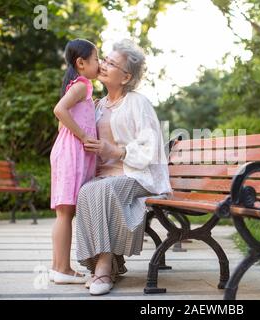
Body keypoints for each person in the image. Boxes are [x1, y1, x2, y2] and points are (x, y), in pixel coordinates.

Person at [76, 39, 171, 296]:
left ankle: (104, 267)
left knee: (103, 190)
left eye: (111, 63)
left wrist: (117, 151)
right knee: (86, 191)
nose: (104, 65)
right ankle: (103, 264)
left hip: (138, 176)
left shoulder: (137, 103)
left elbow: (151, 148)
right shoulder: (96, 106)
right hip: (106, 179)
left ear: (126, 76)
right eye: (104, 60)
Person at [49, 39, 99, 284]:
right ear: (81, 63)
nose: (99, 63)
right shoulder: (81, 85)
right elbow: (59, 111)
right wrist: (83, 136)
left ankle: (58, 266)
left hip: (67, 151)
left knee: (64, 212)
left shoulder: (80, 88)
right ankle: (62, 270)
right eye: (96, 58)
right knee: (65, 212)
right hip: (71, 152)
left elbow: (62, 123)